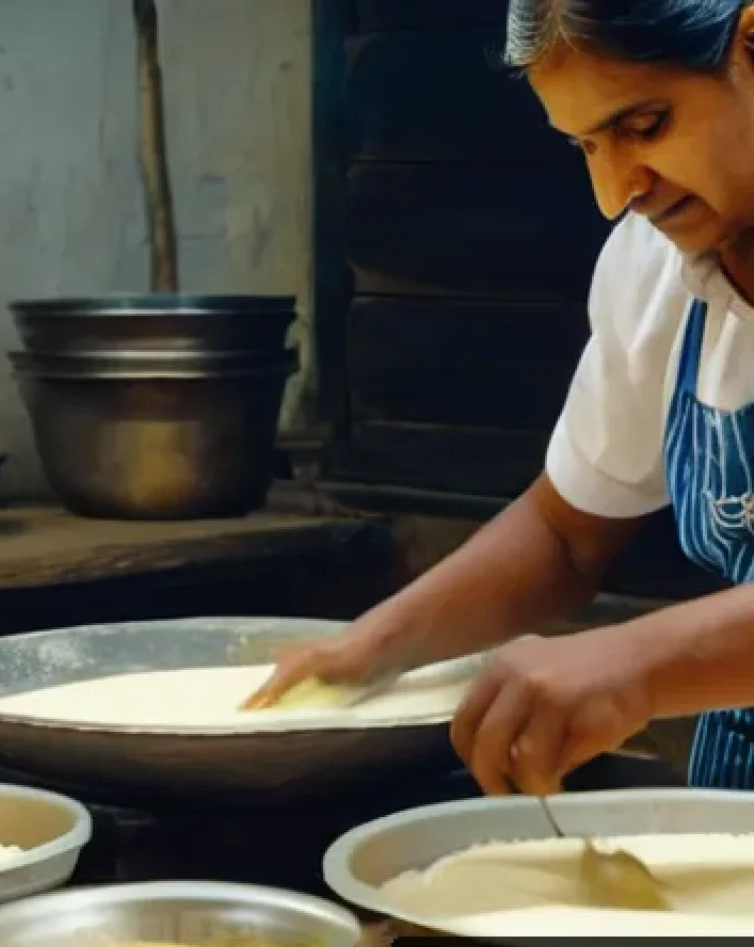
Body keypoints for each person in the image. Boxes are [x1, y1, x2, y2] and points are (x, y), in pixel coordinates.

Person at [244, 0, 754, 799]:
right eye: (586, 146)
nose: (615, 192)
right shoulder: (655, 272)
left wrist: (636, 661)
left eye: (644, 126)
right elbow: (566, 535)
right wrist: (369, 647)